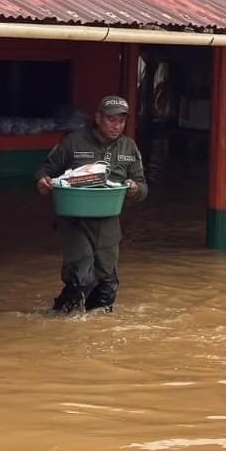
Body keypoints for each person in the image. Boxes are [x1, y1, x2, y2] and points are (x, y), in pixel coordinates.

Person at [36, 95, 148, 313]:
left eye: (121, 121)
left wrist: (135, 188)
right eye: (111, 120)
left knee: (107, 286)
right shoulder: (73, 141)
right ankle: (57, 320)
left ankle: (96, 336)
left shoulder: (128, 147)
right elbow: (45, 170)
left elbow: (143, 187)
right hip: (75, 220)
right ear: (98, 118)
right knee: (82, 278)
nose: (117, 126)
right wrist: (42, 181)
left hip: (108, 222)